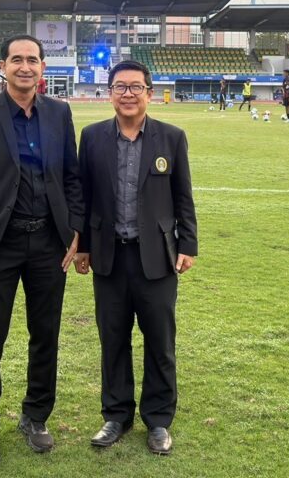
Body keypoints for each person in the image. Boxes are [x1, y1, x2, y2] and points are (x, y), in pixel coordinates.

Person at [0, 34, 84, 467]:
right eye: (17, 59)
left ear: (43, 67)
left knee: (45, 335)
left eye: (33, 60)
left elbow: (72, 178)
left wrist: (75, 231)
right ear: (2, 66)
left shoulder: (60, 113)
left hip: (49, 244)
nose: (25, 67)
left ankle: (35, 416)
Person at [75, 60, 198, 456]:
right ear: (109, 93)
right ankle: (116, 415)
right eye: (120, 87)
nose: (127, 94)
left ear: (149, 92)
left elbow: (183, 196)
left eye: (135, 87)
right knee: (113, 339)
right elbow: (84, 197)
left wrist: (188, 245)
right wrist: (82, 245)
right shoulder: (92, 137)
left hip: (157, 259)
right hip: (109, 257)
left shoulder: (171, 138)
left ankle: (158, 420)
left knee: (160, 342)